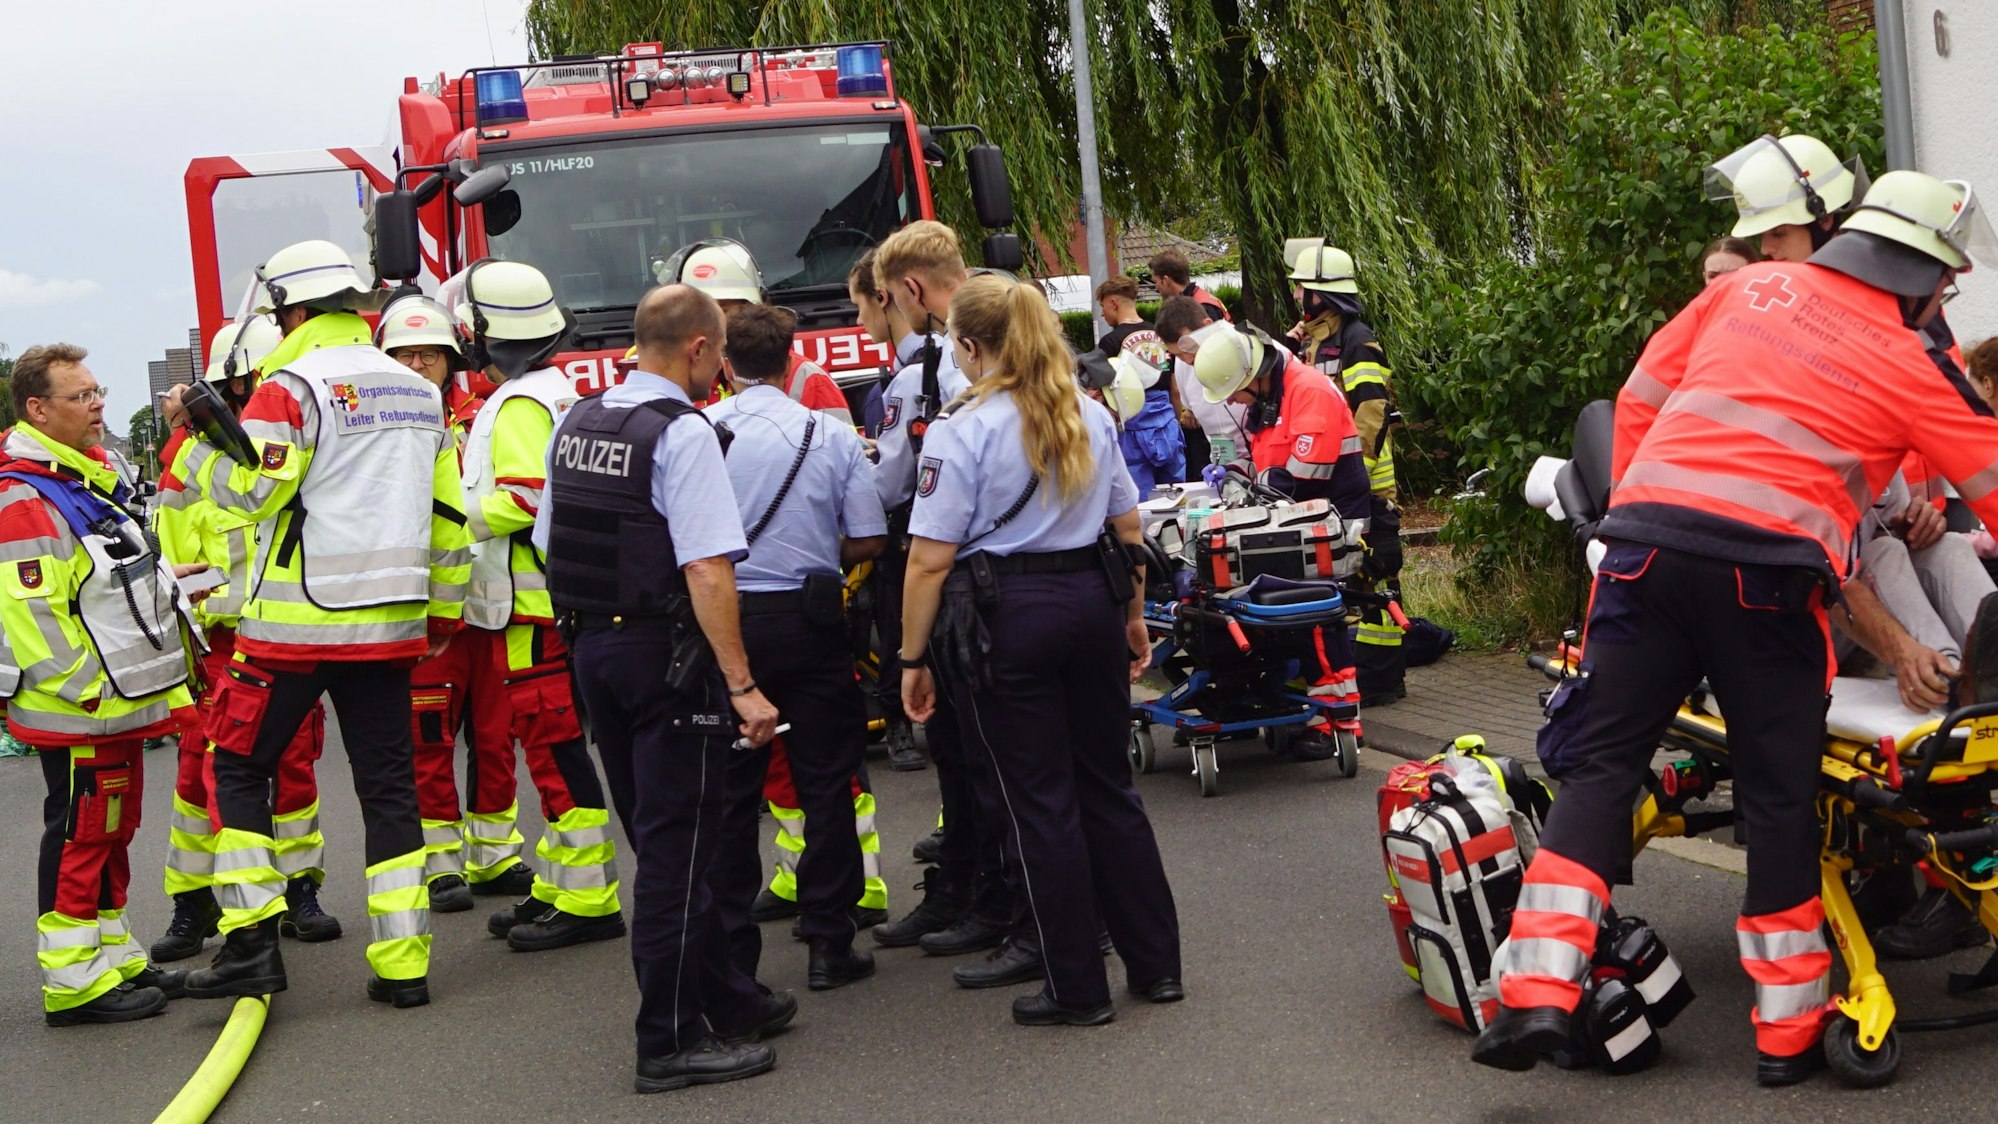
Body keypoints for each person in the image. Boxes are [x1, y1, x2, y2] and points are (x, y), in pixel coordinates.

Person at [1473, 171, 1998, 1086]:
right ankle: (1786, 1039)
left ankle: (1535, 998)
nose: (1944, 301)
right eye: (1945, 283)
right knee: (1780, 798)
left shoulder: (1744, 288)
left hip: (1643, 552)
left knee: (1601, 769)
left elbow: (1637, 400)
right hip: (1766, 583)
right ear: (1916, 276)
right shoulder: (1916, 364)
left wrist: (1641, 515)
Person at [161, 238, 471, 1009]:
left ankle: (252, 946)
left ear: (290, 312)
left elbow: (249, 497)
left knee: (236, 767)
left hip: (292, 634)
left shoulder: (288, 387)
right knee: (390, 790)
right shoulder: (417, 391)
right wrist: (442, 616)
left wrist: (195, 440)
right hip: (391, 628)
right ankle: (404, 967)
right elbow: (450, 522)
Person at [1714, 135, 1993, 959]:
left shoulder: (1907, 326)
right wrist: (1901, 644)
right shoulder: (1762, 327)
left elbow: (1944, 436)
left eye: (1777, 242)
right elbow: (1801, 517)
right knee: (1878, 565)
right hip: (1803, 567)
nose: (1768, 262)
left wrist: (1931, 502)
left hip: (1870, 529)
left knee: (1928, 553)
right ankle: (1945, 679)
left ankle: (1967, 672)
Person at [899, 272, 1183, 1026]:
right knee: (1109, 791)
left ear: (968, 345)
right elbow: (1129, 529)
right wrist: (1133, 618)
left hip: (1005, 616)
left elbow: (929, 560)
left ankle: (1077, 985)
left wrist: (911, 658)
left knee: (1040, 803)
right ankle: (1156, 967)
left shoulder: (962, 428)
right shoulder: (1086, 413)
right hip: (1090, 602)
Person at [538, 283, 787, 1093]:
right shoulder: (682, 434)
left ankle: (730, 997)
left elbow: (551, 542)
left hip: (596, 654)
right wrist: (742, 685)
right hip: (666, 659)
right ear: (699, 349)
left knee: (661, 837)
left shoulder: (578, 422)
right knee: (681, 854)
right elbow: (709, 566)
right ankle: (671, 1041)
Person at [5, 344, 199, 1024]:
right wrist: (89, 690)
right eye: (81, 396)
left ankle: (111, 956)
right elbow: (33, 618)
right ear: (38, 408)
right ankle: (73, 982)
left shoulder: (83, 477)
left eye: (98, 391)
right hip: (81, 707)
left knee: (111, 830)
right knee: (81, 833)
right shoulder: (25, 496)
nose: (98, 406)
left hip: (115, 704)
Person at [446, 262, 629, 952]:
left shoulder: (521, 402)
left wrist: (449, 518)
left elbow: (524, 497)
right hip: (542, 602)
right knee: (546, 746)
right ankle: (559, 884)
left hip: (529, 606)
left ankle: (586, 899)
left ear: (494, 333)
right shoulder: (549, 392)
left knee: (552, 750)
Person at [704, 302, 888, 992]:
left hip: (724, 621)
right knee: (826, 782)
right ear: (793, 359)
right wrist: (816, 555)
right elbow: (868, 537)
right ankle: (828, 943)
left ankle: (733, 957)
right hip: (810, 622)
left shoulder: (701, 430)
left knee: (731, 791)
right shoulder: (827, 434)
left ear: (726, 363)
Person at [153, 315, 341, 961]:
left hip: (283, 636)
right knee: (195, 776)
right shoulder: (188, 459)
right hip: (217, 645)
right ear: (231, 385)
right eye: (254, 381)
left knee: (293, 768)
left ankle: (298, 890)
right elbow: (171, 558)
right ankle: (194, 901)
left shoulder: (295, 446)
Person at [871, 222, 1027, 975]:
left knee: (973, 756)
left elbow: (895, 491)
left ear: (906, 290)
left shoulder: (938, 371)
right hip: (1018, 581)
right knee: (979, 758)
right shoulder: (1025, 355)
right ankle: (974, 888)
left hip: (961, 582)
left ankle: (991, 897)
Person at [378, 293, 516, 915]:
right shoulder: (377, 427)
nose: (417, 363)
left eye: (428, 353)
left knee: (495, 734)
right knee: (427, 737)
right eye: (404, 354)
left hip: (490, 605)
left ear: (450, 357)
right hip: (422, 608)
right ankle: (439, 865)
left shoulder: (487, 413)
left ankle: (495, 854)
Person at [1192, 320, 1371, 755]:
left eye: (1235, 390)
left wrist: (1253, 494)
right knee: (1270, 618)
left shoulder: (1309, 391)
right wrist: (1236, 480)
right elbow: (1266, 466)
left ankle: (1338, 725)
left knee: (1313, 620)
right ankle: (1285, 708)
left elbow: (1303, 478)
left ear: (1255, 376)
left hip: (1325, 525)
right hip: (1291, 526)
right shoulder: (1270, 398)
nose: (1233, 401)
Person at [1287, 241, 1407, 701]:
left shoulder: (1356, 338)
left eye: (1303, 288)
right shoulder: (1319, 339)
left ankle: (1383, 679)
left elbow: (1371, 408)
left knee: (1376, 575)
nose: (1298, 295)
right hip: (1340, 484)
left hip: (1366, 485)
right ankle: (1360, 672)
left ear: (1320, 294)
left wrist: (1356, 470)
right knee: (1349, 578)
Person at [661, 239, 852, 425]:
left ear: (751, 308)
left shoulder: (806, 377)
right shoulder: (677, 379)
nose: (714, 323)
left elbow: (841, 448)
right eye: (705, 312)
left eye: (726, 310)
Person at [1094, 275, 1184, 494]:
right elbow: (1175, 386)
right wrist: (1177, 419)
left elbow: (1102, 393)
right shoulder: (1160, 335)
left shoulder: (1110, 342)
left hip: (1133, 428)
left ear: (1113, 303)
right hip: (1167, 425)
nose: (1102, 313)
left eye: (1103, 306)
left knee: (1140, 498)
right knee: (1176, 493)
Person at [1156, 296, 1242, 478]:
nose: (1188, 359)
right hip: (1224, 465)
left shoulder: (1247, 348)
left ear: (1207, 325)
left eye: (1189, 348)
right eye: (1178, 355)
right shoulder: (1183, 367)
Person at [1148, 249, 1229, 323]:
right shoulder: (1198, 300)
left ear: (1166, 280)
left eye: (1156, 281)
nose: (1156, 288)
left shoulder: (1201, 307)